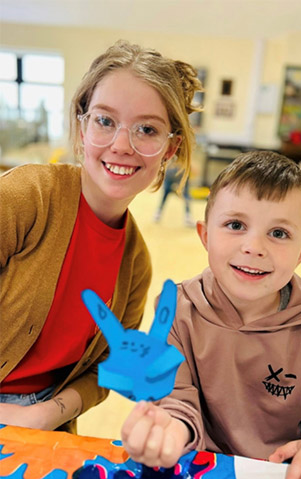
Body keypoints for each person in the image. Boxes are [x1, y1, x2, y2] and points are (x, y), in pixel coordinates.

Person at [0, 41, 201, 432]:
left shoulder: (136, 261)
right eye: (105, 121)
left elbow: (101, 370)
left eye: (147, 129)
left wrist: (45, 413)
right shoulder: (25, 199)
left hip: (46, 425)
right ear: (82, 126)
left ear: (170, 149)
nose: (121, 145)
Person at [120, 151, 301, 479]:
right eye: (236, 225)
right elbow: (176, 399)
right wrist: (170, 428)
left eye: (278, 232)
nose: (253, 247)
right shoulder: (177, 311)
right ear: (205, 235)